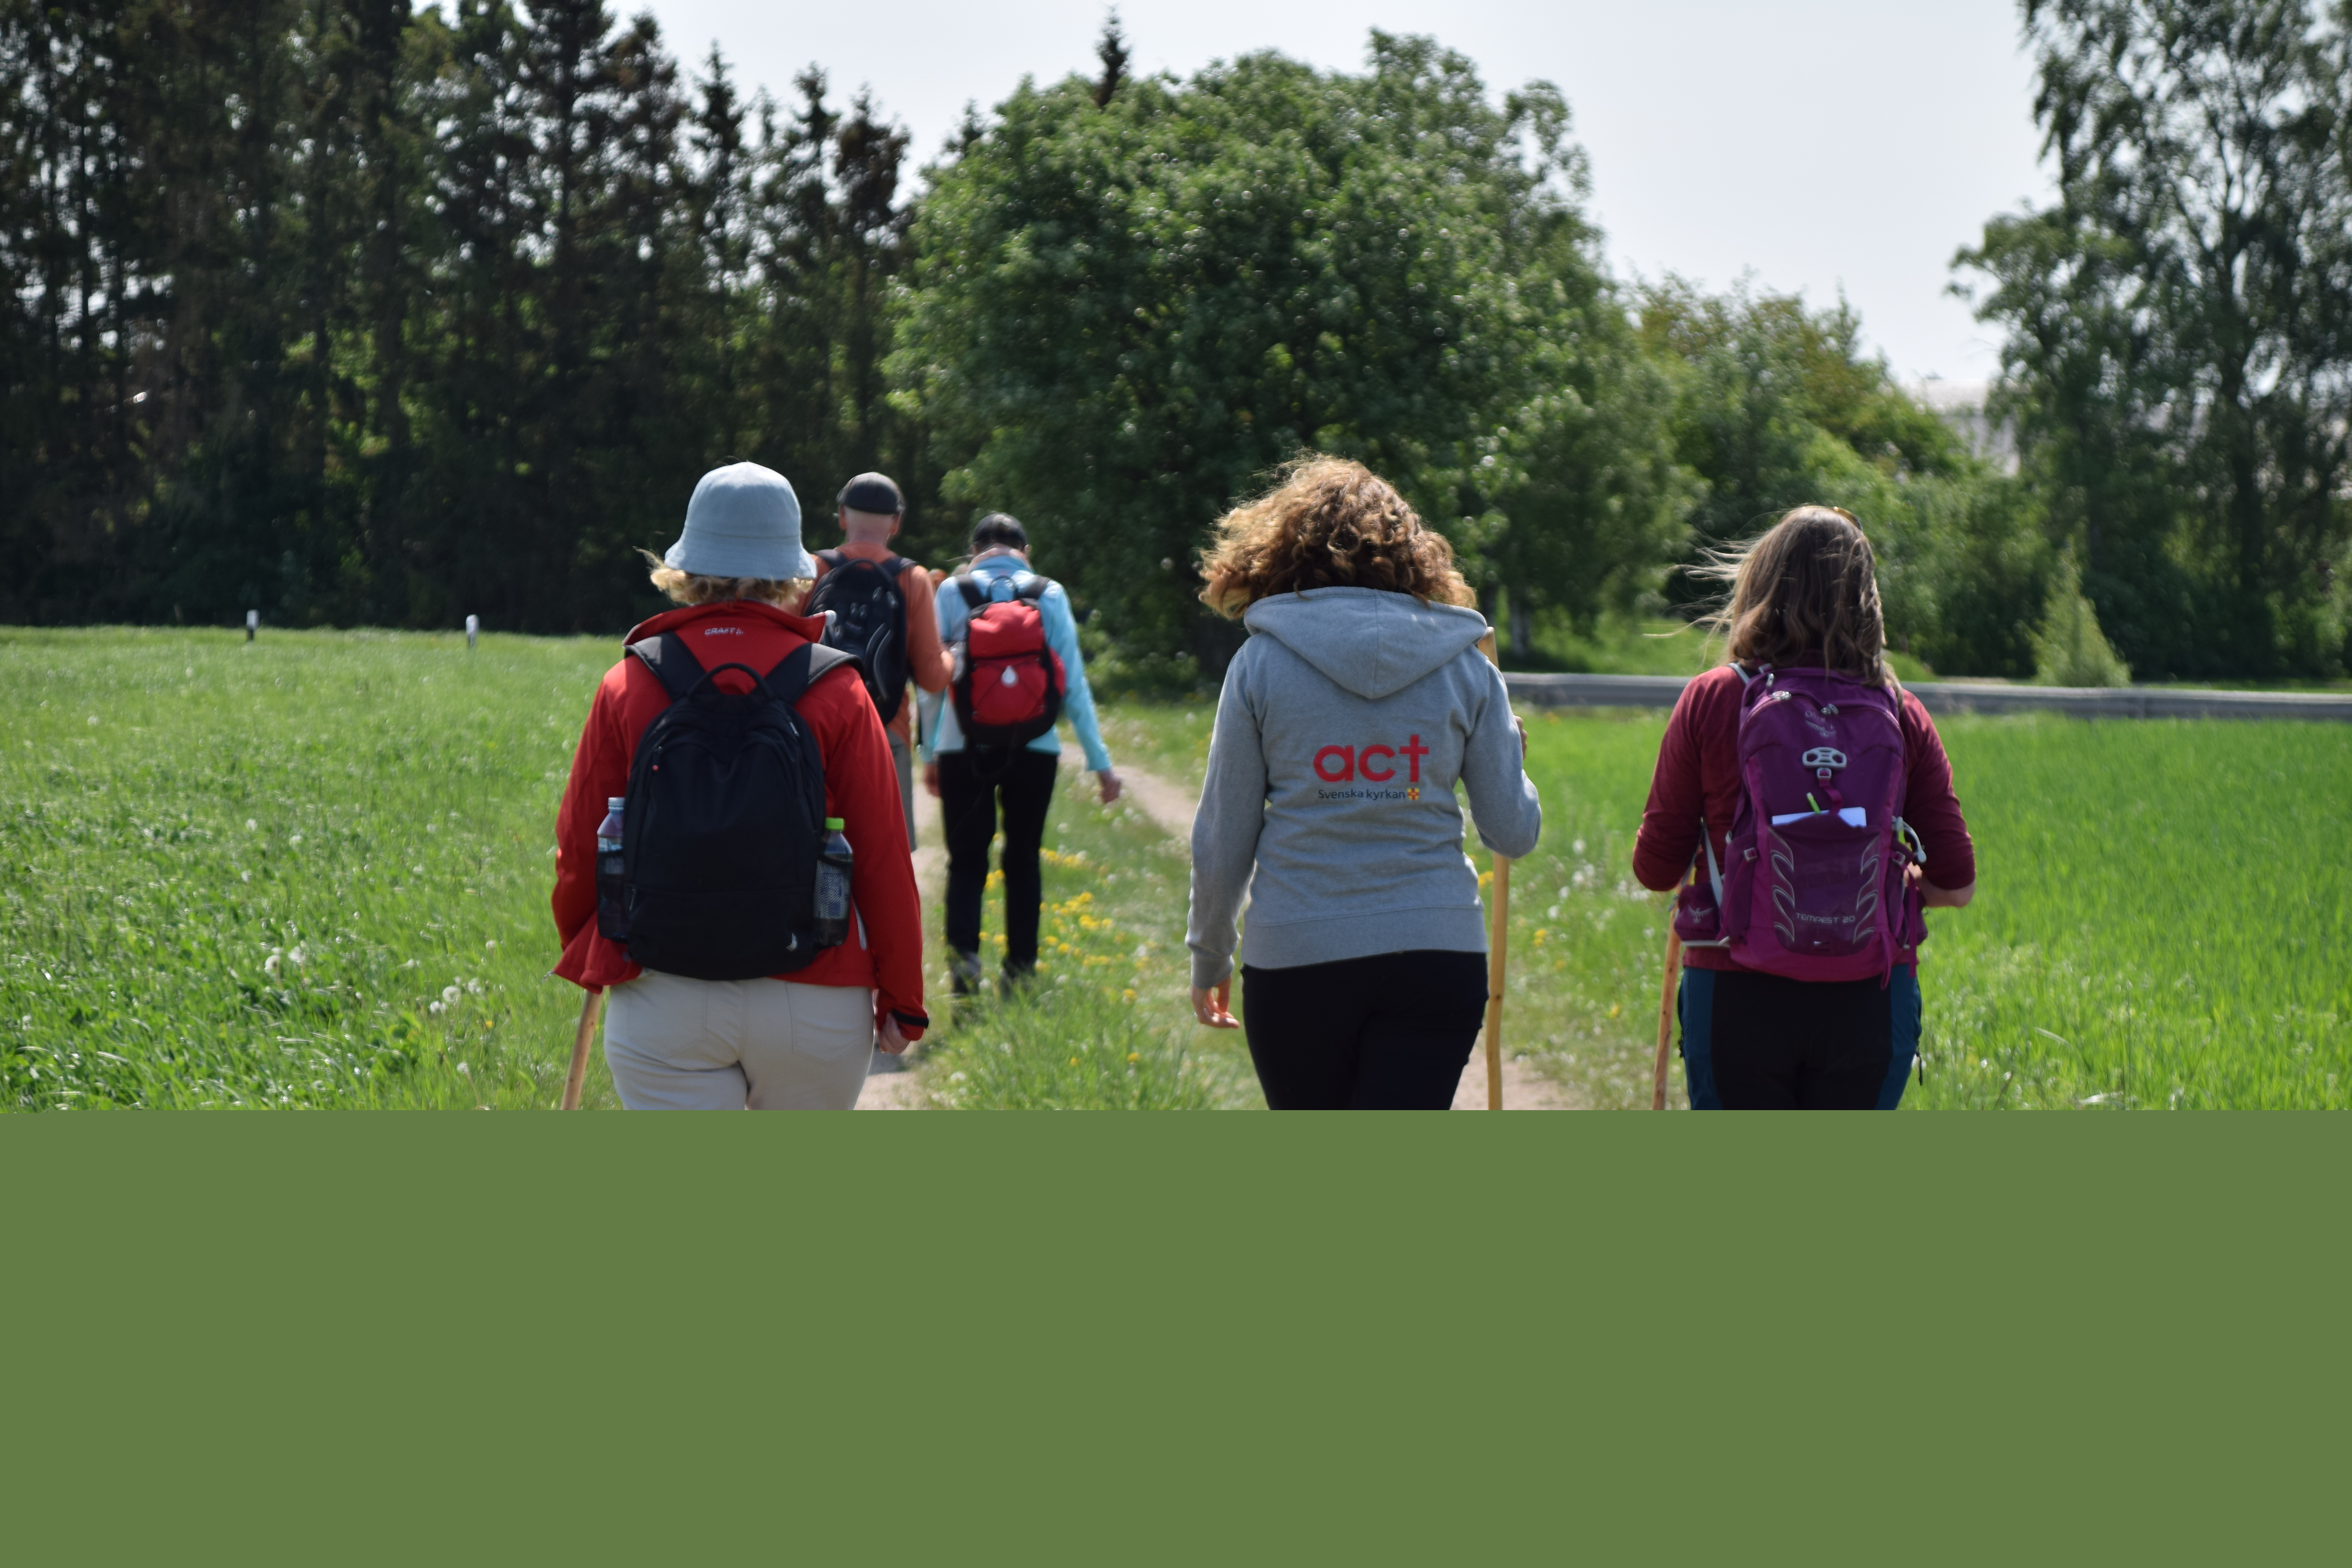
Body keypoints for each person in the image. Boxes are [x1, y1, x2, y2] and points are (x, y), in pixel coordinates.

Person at [551, 461, 927, 1108]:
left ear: (686, 563)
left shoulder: (631, 682)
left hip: (664, 990)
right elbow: (884, 859)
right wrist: (903, 999)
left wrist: (595, 950)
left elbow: (582, 847)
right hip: (818, 998)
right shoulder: (839, 688)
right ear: (795, 569)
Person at [1185, 457, 1541, 1109]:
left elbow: (1223, 834)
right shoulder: (1467, 667)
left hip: (1297, 958)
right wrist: (1511, 758)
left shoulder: (1260, 663)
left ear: (1283, 551)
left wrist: (1210, 955)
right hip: (1437, 955)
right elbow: (1512, 833)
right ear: (1413, 556)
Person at [1632, 505, 1976, 1110]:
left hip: (1734, 988)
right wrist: (1867, 881)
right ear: (1867, 599)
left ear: (1760, 587)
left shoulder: (1715, 699)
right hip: (1871, 996)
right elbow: (1958, 884)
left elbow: (1655, 870)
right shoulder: (1900, 711)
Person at [924, 512, 1122, 997]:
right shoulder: (1047, 593)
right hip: (1036, 747)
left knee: (966, 861)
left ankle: (965, 969)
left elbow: (932, 684)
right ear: (1024, 551)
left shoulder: (951, 592)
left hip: (962, 746)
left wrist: (929, 752)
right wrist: (1101, 764)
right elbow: (1072, 685)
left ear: (975, 551)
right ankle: (1021, 973)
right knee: (1024, 859)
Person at [803, 472, 953, 846]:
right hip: (886, 733)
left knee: (810, 851)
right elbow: (933, 679)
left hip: (814, 735)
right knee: (886, 860)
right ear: (897, 523)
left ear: (842, 516)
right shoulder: (912, 578)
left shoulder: (811, 570)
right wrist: (952, 657)